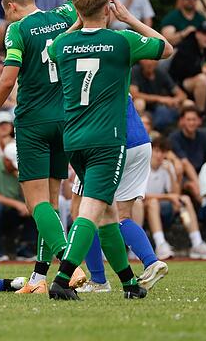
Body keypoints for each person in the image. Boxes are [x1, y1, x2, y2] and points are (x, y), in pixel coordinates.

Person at [0, 0, 85, 294]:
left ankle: (71, 266)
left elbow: (6, 81)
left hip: (34, 122)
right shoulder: (62, 15)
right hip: (66, 120)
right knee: (51, 204)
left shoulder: (17, 29)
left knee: (36, 203)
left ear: (10, 7)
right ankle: (38, 278)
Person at [45, 0, 173, 300]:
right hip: (107, 140)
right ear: (107, 9)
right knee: (91, 209)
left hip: (73, 138)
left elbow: (51, 50)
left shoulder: (63, 44)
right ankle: (62, 278)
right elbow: (165, 47)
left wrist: (76, 23)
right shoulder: (122, 40)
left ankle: (129, 283)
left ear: (78, 10)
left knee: (109, 214)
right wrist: (129, 19)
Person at [73, 96, 170, 294]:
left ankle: (98, 280)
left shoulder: (80, 72)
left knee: (83, 213)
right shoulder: (117, 67)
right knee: (122, 216)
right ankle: (151, 262)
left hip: (108, 145)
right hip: (141, 143)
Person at [144, 138, 206, 261]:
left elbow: (175, 195)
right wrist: (168, 197)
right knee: (153, 203)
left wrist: (173, 175)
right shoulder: (143, 167)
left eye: (162, 152)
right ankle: (160, 243)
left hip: (165, 207)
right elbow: (143, 195)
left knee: (185, 200)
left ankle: (197, 242)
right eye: (156, 151)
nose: (159, 155)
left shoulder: (167, 167)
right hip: (146, 207)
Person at [0, 141, 37, 261]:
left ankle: (25, 250)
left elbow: (28, 195)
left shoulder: (18, 169)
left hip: (10, 210)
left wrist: (21, 179)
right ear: (6, 160)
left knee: (34, 205)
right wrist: (17, 204)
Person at [130, 59, 188, 131]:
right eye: (147, 60)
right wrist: (160, 99)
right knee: (139, 102)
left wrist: (174, 100)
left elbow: (182, 94)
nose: (149, 63)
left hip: (159, 108)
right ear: (141, 61)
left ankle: (183, 131)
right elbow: (134, 94)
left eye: (152, 60)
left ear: (157, 62)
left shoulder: (161, 72)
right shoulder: (135, 71)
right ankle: (138, 130)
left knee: (187, 103)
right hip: (144, 108)